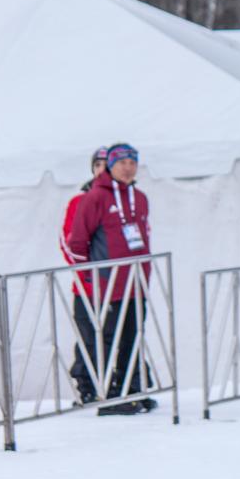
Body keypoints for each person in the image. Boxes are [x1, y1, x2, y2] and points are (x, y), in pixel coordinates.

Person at [67, 143, 156, 416]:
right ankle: (102, 393)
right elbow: (76, 241)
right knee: (104, 338)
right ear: (110, 166)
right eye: (122, 162)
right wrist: (89, 277)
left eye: (133, 161)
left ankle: (130, 389)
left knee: (133, 335)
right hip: (107, 285)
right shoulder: (93, 198)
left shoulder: (139, 197)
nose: (128, 167)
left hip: (136, 283)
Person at [60, 146, 109, 404]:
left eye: (106, 164)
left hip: (119, 285)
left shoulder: (123, 200)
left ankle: (120, 383)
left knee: (120, 335)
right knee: (88, 337)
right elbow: (69, 241)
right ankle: (87, 385)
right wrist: (87, 273)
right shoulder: (79, 202)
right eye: (98, 165)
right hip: (89, 286)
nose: (103, 169)